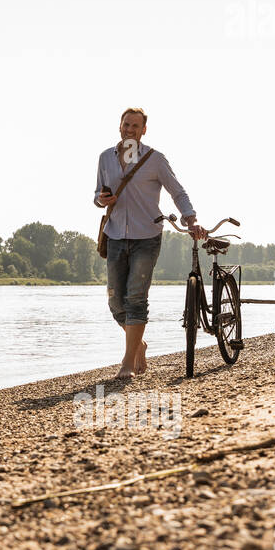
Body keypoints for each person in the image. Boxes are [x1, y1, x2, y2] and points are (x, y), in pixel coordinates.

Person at [94, 107, 206, 380]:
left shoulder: (155, 160)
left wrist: (190, 219)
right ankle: (139, 343)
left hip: (147, 235)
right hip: (116, 234)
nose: (130, 129)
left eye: (135, 126)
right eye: (126, 124)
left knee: (135, 298)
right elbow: (97, 194)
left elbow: (177, 191)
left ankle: (128, 362)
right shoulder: (105, 157)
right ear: (119, 126)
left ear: (144, 130)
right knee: (115, 303)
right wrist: (101, 199)